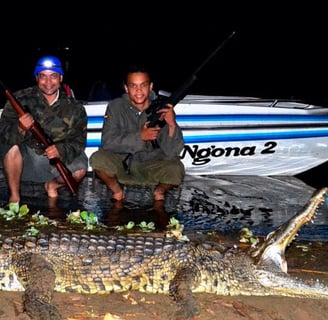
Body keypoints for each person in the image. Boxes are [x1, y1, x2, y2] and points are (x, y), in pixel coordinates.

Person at [89, 64, 185, 202]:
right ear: (126, 88)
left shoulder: (160, 108)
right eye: (133, 86)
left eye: (143, 85)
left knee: (176, 168)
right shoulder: (115, 106)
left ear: (151, 86)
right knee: (98, 158)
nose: (139, 91)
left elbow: (172, 152)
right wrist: (140, 137)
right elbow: (108, 142)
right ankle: (117, 192)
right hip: (121, 163)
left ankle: (159, 193)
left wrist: (171, 125)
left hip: (152, 163)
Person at [0, 55, 88, 203]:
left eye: (53, 76)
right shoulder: (19, 99)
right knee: (11, 147)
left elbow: (78, 142)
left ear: (60, 78)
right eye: (43, 76)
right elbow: (4, 136)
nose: (48, 82)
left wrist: (60, 149)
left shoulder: (75, 107)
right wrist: (20, 128)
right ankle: (14, 197)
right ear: (37, 78)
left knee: (80, 168)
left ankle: (52, 186)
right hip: (25, 164)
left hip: (54, 164)